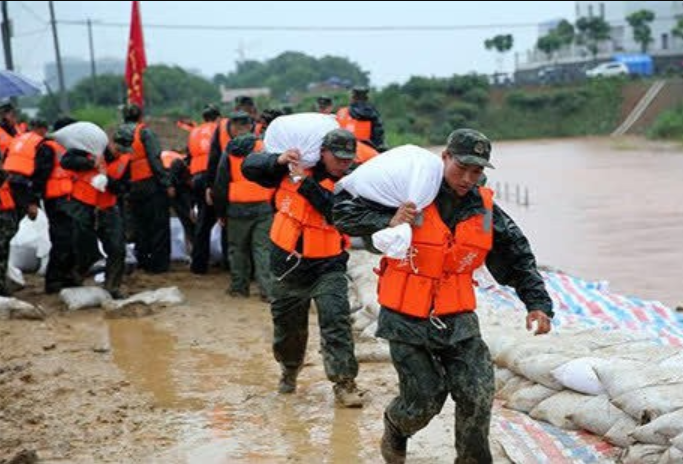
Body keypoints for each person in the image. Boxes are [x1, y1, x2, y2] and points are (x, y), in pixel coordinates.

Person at [332, 128, 554, 463]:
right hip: (405, 317)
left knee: (478, 394)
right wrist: (387, 219)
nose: (467, 178)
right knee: (424, 399)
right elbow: (342, 214)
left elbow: (517, 253)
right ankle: (396, 426)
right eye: (461, 167)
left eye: (476, 171)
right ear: (445, 158)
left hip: (457, 317)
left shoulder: (483, 209)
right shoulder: (410, 193)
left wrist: (537, 303)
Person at [241, 128, 364, 408]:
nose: (344, 163)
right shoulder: (293, 168)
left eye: (348, 158)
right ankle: (290, 368)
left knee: (336, 322)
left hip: (328, 265)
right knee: (288, 328)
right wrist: (278, 161)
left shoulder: (354, 183)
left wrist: (302, 181)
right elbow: (249, 167)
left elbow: (334, 210)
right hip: (288, 264)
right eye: (338, 158)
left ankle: (344, 383)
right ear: (323, 153)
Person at [61, 126, 131, 299]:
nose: (119, 153)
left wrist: (108, 179)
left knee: (117, 248)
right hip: (83, 204)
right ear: (111, 142)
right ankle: (75, 276)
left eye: (123, 150)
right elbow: (66, 161)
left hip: (108, 207)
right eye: (117, 148)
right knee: (83, 246)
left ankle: (112, 287)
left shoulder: (126, 162)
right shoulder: (90, 149)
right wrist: (91, 163)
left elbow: (125, 188)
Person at [213, 133, 274, 300]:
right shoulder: (263, 148)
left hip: (236, 208)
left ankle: (239, 288)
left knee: (238, 249)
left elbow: (220, 183)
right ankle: (268, 291)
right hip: (263, 205)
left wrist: (220, 211)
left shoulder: (229, 152)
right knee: (263, 249)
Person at [120, 103, 172, 274]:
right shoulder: (144, 132)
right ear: (140, 117)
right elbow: (155, 160)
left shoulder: (119, 134)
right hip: (149, 183)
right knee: (158, 224)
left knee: (140, 225)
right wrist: (167, 183)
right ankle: (158, 265)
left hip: (131, 186)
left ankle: (142, 260)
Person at [336, 86, 386, 152]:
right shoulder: (374, 114)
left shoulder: (342, 112)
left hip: (344, 151)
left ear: (352, 98)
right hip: (369, 152)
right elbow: (379, 137)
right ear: (367, 98)